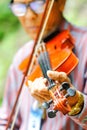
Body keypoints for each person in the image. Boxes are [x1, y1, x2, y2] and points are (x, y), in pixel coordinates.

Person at [0, 0, 87, 130]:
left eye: (37, 4)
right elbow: (6, 119)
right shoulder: (21, 57)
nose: (29, 15)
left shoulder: (84, 44)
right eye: (20, 7)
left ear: (60, 3)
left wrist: (77, 102)